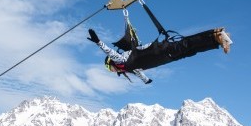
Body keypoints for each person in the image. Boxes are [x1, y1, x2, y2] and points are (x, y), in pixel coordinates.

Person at [87, 27, 233, 84]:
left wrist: (98, 42)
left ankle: (215, 34)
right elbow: (139, 73)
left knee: (187, 44)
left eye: (108, 67)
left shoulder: (121, 60)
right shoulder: (129, 68)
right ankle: (217, 42)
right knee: (190, 51)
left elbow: (110, 52)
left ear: (111, 63)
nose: (111, 71)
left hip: (160, 51)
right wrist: (146, 80)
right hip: (165, 58)